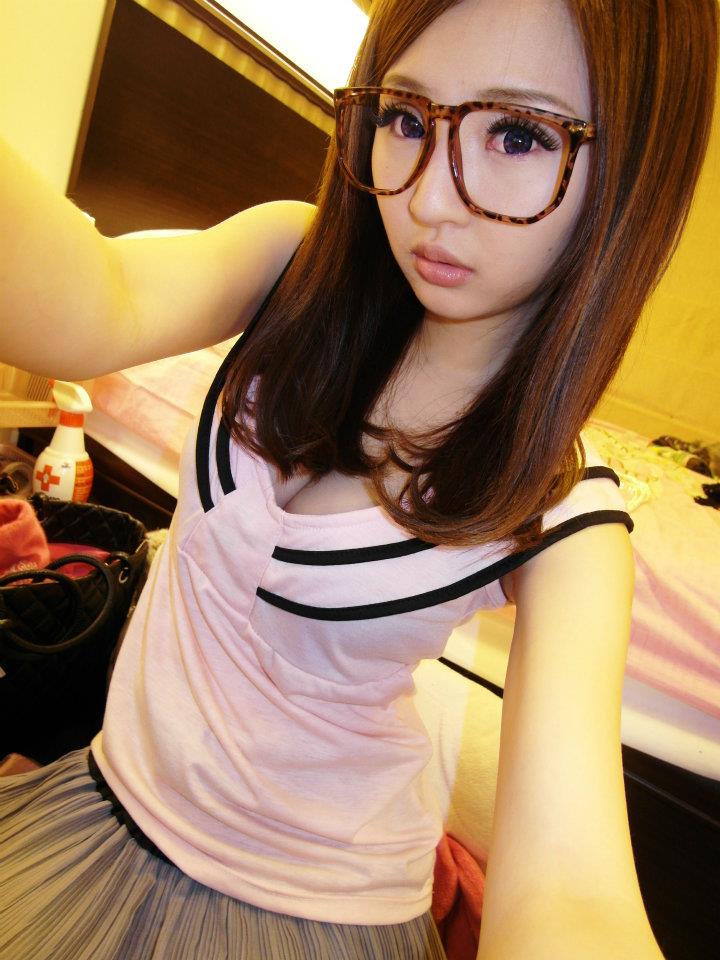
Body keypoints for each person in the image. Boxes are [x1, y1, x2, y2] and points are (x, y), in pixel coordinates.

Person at [0, 0, 717, 957]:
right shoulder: (288, 268)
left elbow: (571, 889)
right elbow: (92, 303)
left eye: (517, 135)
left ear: (628, 174)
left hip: (308, 912)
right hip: (106, 801)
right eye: (407, 118)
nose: (429, 199)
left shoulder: (566, 513)